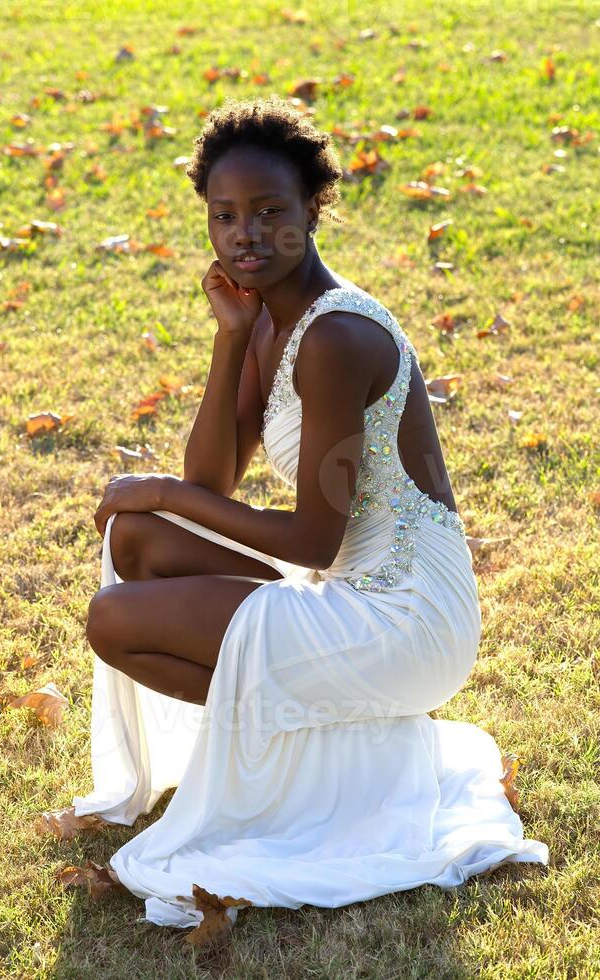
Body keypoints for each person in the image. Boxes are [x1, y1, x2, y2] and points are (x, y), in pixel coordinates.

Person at [74, 95, 548, 932]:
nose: (244, 235)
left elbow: (309, 538)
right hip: (345, 583)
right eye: (224, 216)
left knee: (115, 617)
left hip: (404, 618)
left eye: (268, 213)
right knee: (137, 540)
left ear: (311, 211)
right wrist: (229, 338)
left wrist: (158, 489)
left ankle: (326, 757)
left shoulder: (335, 338)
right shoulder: (269, 320)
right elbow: (212, 479)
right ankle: (318, 747)